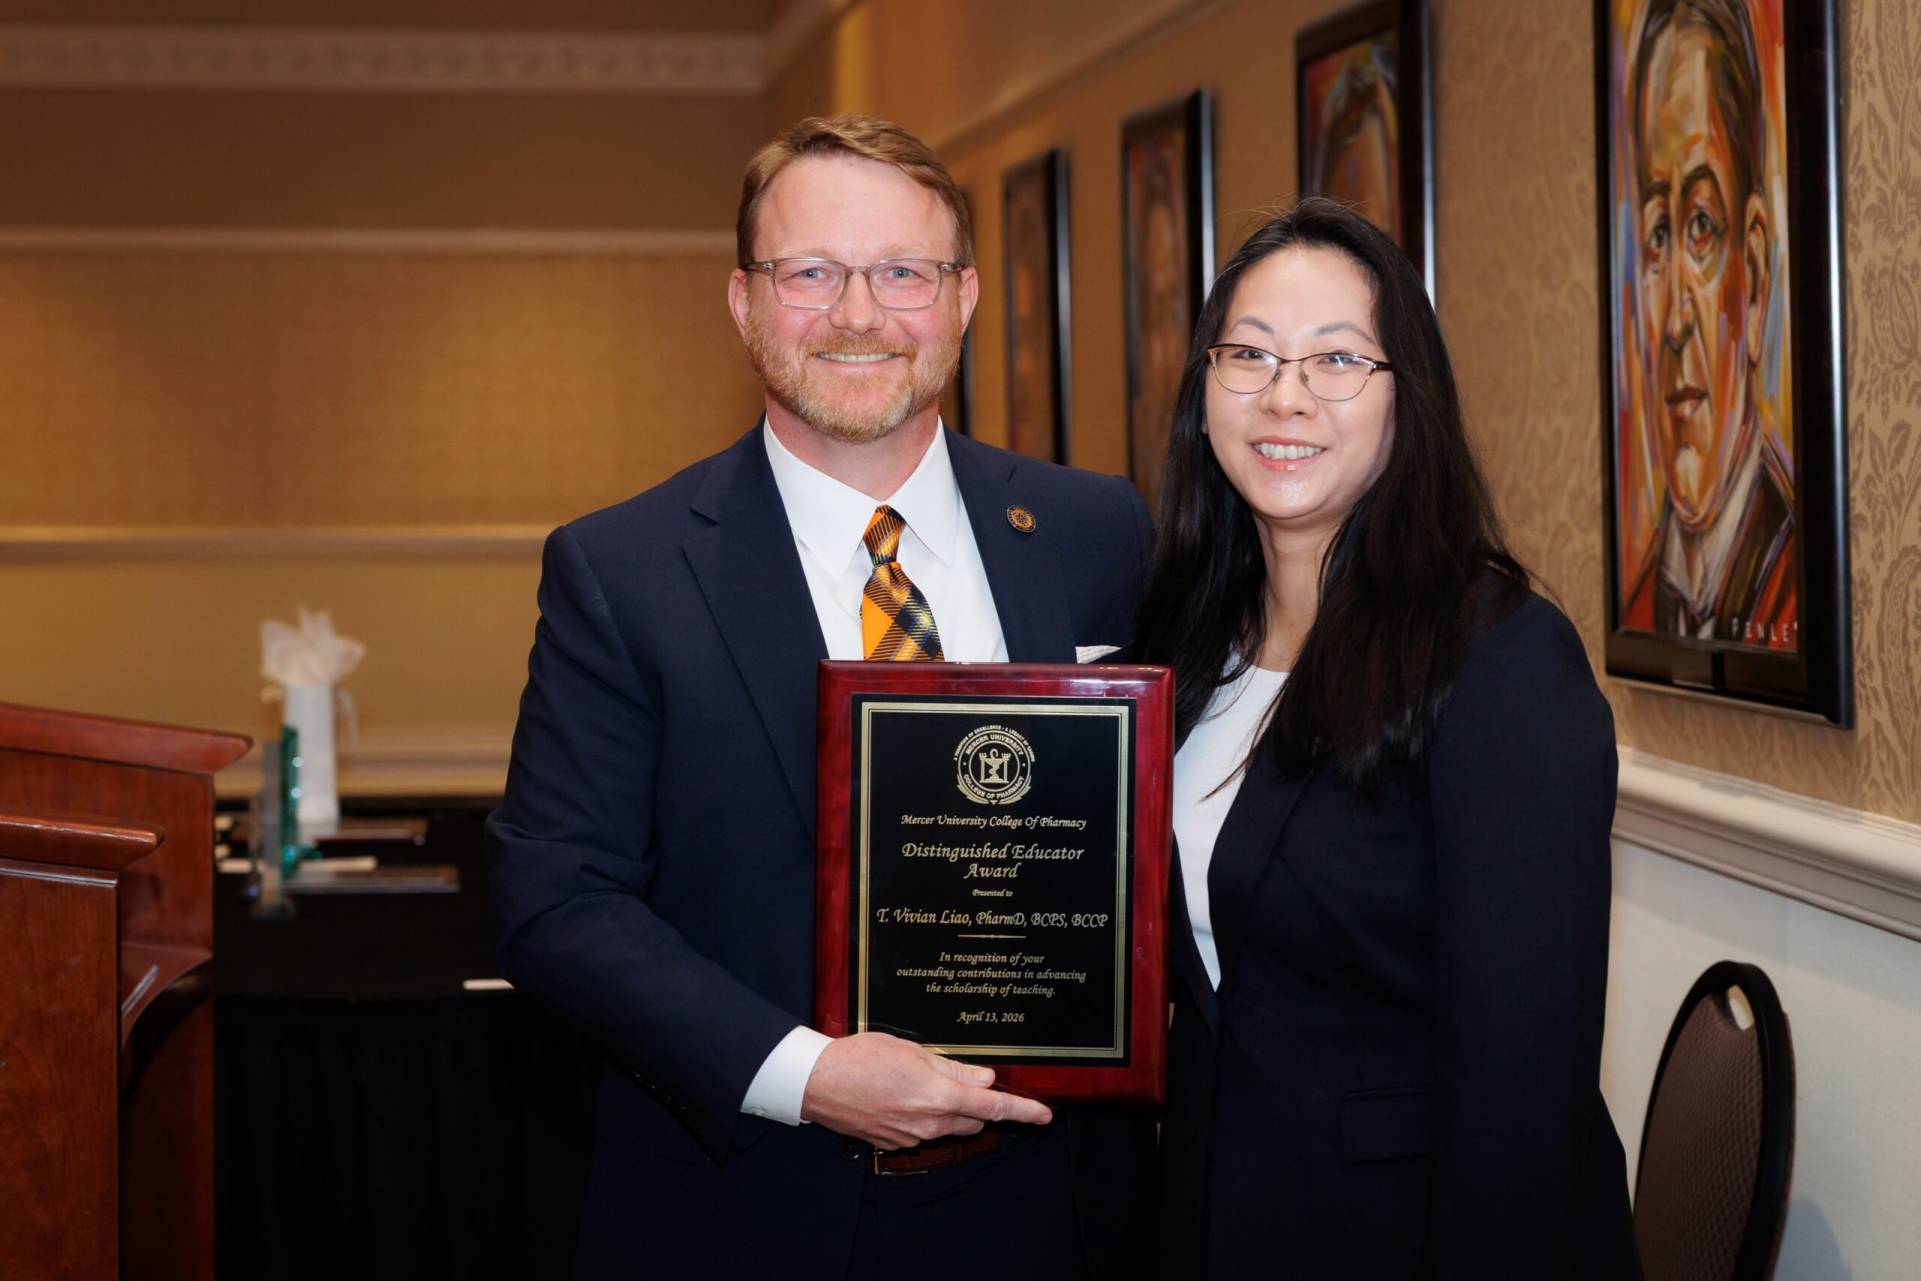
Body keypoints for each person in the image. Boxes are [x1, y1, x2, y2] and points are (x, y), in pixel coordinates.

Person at [487, 114, 1156, 1281]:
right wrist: (808, 1074)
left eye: (901, 271)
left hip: (1059, 1209)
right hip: (746, 1208)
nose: (857, 314)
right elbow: (554, 902)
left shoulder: (1100, 531)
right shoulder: (624, 570)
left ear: (962, 298)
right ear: (744, 303)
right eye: (811, 273)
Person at [1139, 199, 1640, 1278]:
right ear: (1205, 386)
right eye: (1251, 354)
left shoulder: (1497, 658)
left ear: (1405, 398)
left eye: (1336, 359)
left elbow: (1519, 1081)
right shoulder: (1185, 639)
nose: (1286, 395)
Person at [1620, 0, 1795, 649]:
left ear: (1752, 278)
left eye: (1699, 225)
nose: (1671, 321)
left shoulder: (1793, 589)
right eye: (1656, 236)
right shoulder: (1636, 613)